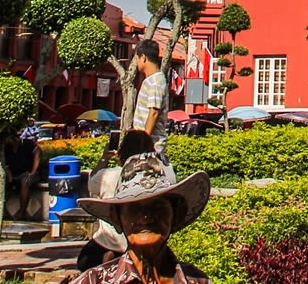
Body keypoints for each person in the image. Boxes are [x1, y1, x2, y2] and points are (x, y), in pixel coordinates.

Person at [71, 152, 211, 284]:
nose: (145, 217)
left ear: (177, 214)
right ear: (116, 218)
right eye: (133, 208)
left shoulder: (196, 280)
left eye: (157, 206)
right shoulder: (94, 281)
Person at [76, 131, 156, 272]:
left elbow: (91, 184)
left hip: (107, 243)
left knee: (84, 261)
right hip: (142, 244)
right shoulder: (155, 179)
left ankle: (112, 259)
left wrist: (104, 158)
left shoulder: (107, 175)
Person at [130, 40, 170, 164]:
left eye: (136, 58)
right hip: (147, 146)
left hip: (151, 148)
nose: (136, 62)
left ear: (143, 58)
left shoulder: (154, 82)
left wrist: (144, 142)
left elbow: (154, 112)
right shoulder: (153, 80)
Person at [3, 129, 40, 219]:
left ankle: (22, 213)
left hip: (27, 174)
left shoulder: (27, 143)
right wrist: (10, 178)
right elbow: (6, 165)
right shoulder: (7, 148)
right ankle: (0, 213)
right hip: (14, 175)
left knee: (25, 181)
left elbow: (37, 152)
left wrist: (33, 172)